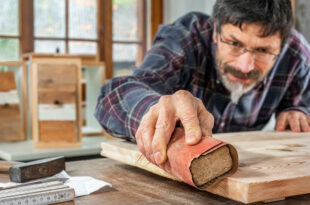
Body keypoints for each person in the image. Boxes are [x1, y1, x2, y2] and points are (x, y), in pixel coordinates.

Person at [95, 0, 310, 167]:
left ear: (281, 44)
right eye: (234, 43)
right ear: (216, 31)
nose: (246, 66)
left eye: (263, 50)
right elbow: (112, 96)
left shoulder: (296, 52)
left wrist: (296, 110)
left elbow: (300, 103)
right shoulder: (186, 35)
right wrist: (154, 112)